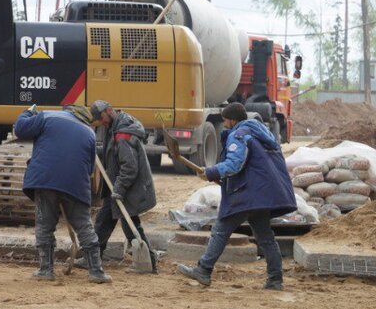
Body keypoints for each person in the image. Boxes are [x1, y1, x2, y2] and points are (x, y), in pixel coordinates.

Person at [176, 102, 296, 291]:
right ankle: (275, 279)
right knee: (265, 237)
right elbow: (254, 166)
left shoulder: (239, 135)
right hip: (262, 194)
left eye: (224, 120)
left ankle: (204, 270)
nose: (224, 124)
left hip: (247, 195)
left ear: (232, 120)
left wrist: (212, 171)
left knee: (221, 231)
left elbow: (234, 164)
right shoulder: (261, 134)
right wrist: (216, 175)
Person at [16, 105, 110, 283]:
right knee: (84, 226)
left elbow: (20, 128)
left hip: (45, 180)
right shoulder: (89, 133)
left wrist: (28, 112)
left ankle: (46, 271)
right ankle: (96, 272)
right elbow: (90, 168)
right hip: (75, 185)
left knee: (45, 225)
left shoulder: (47, 116)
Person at [89, 100, 157, 270]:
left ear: (110, 110)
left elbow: (129, 167)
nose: (102, 122)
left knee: (131, 226)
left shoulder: (123, 133)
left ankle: (149, 263)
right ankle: (91, 259)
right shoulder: (113, 127)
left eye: (103, 118)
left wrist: (118, 189)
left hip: (127, 189)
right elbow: (112, 154)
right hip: (118, 187)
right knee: (103, 222)